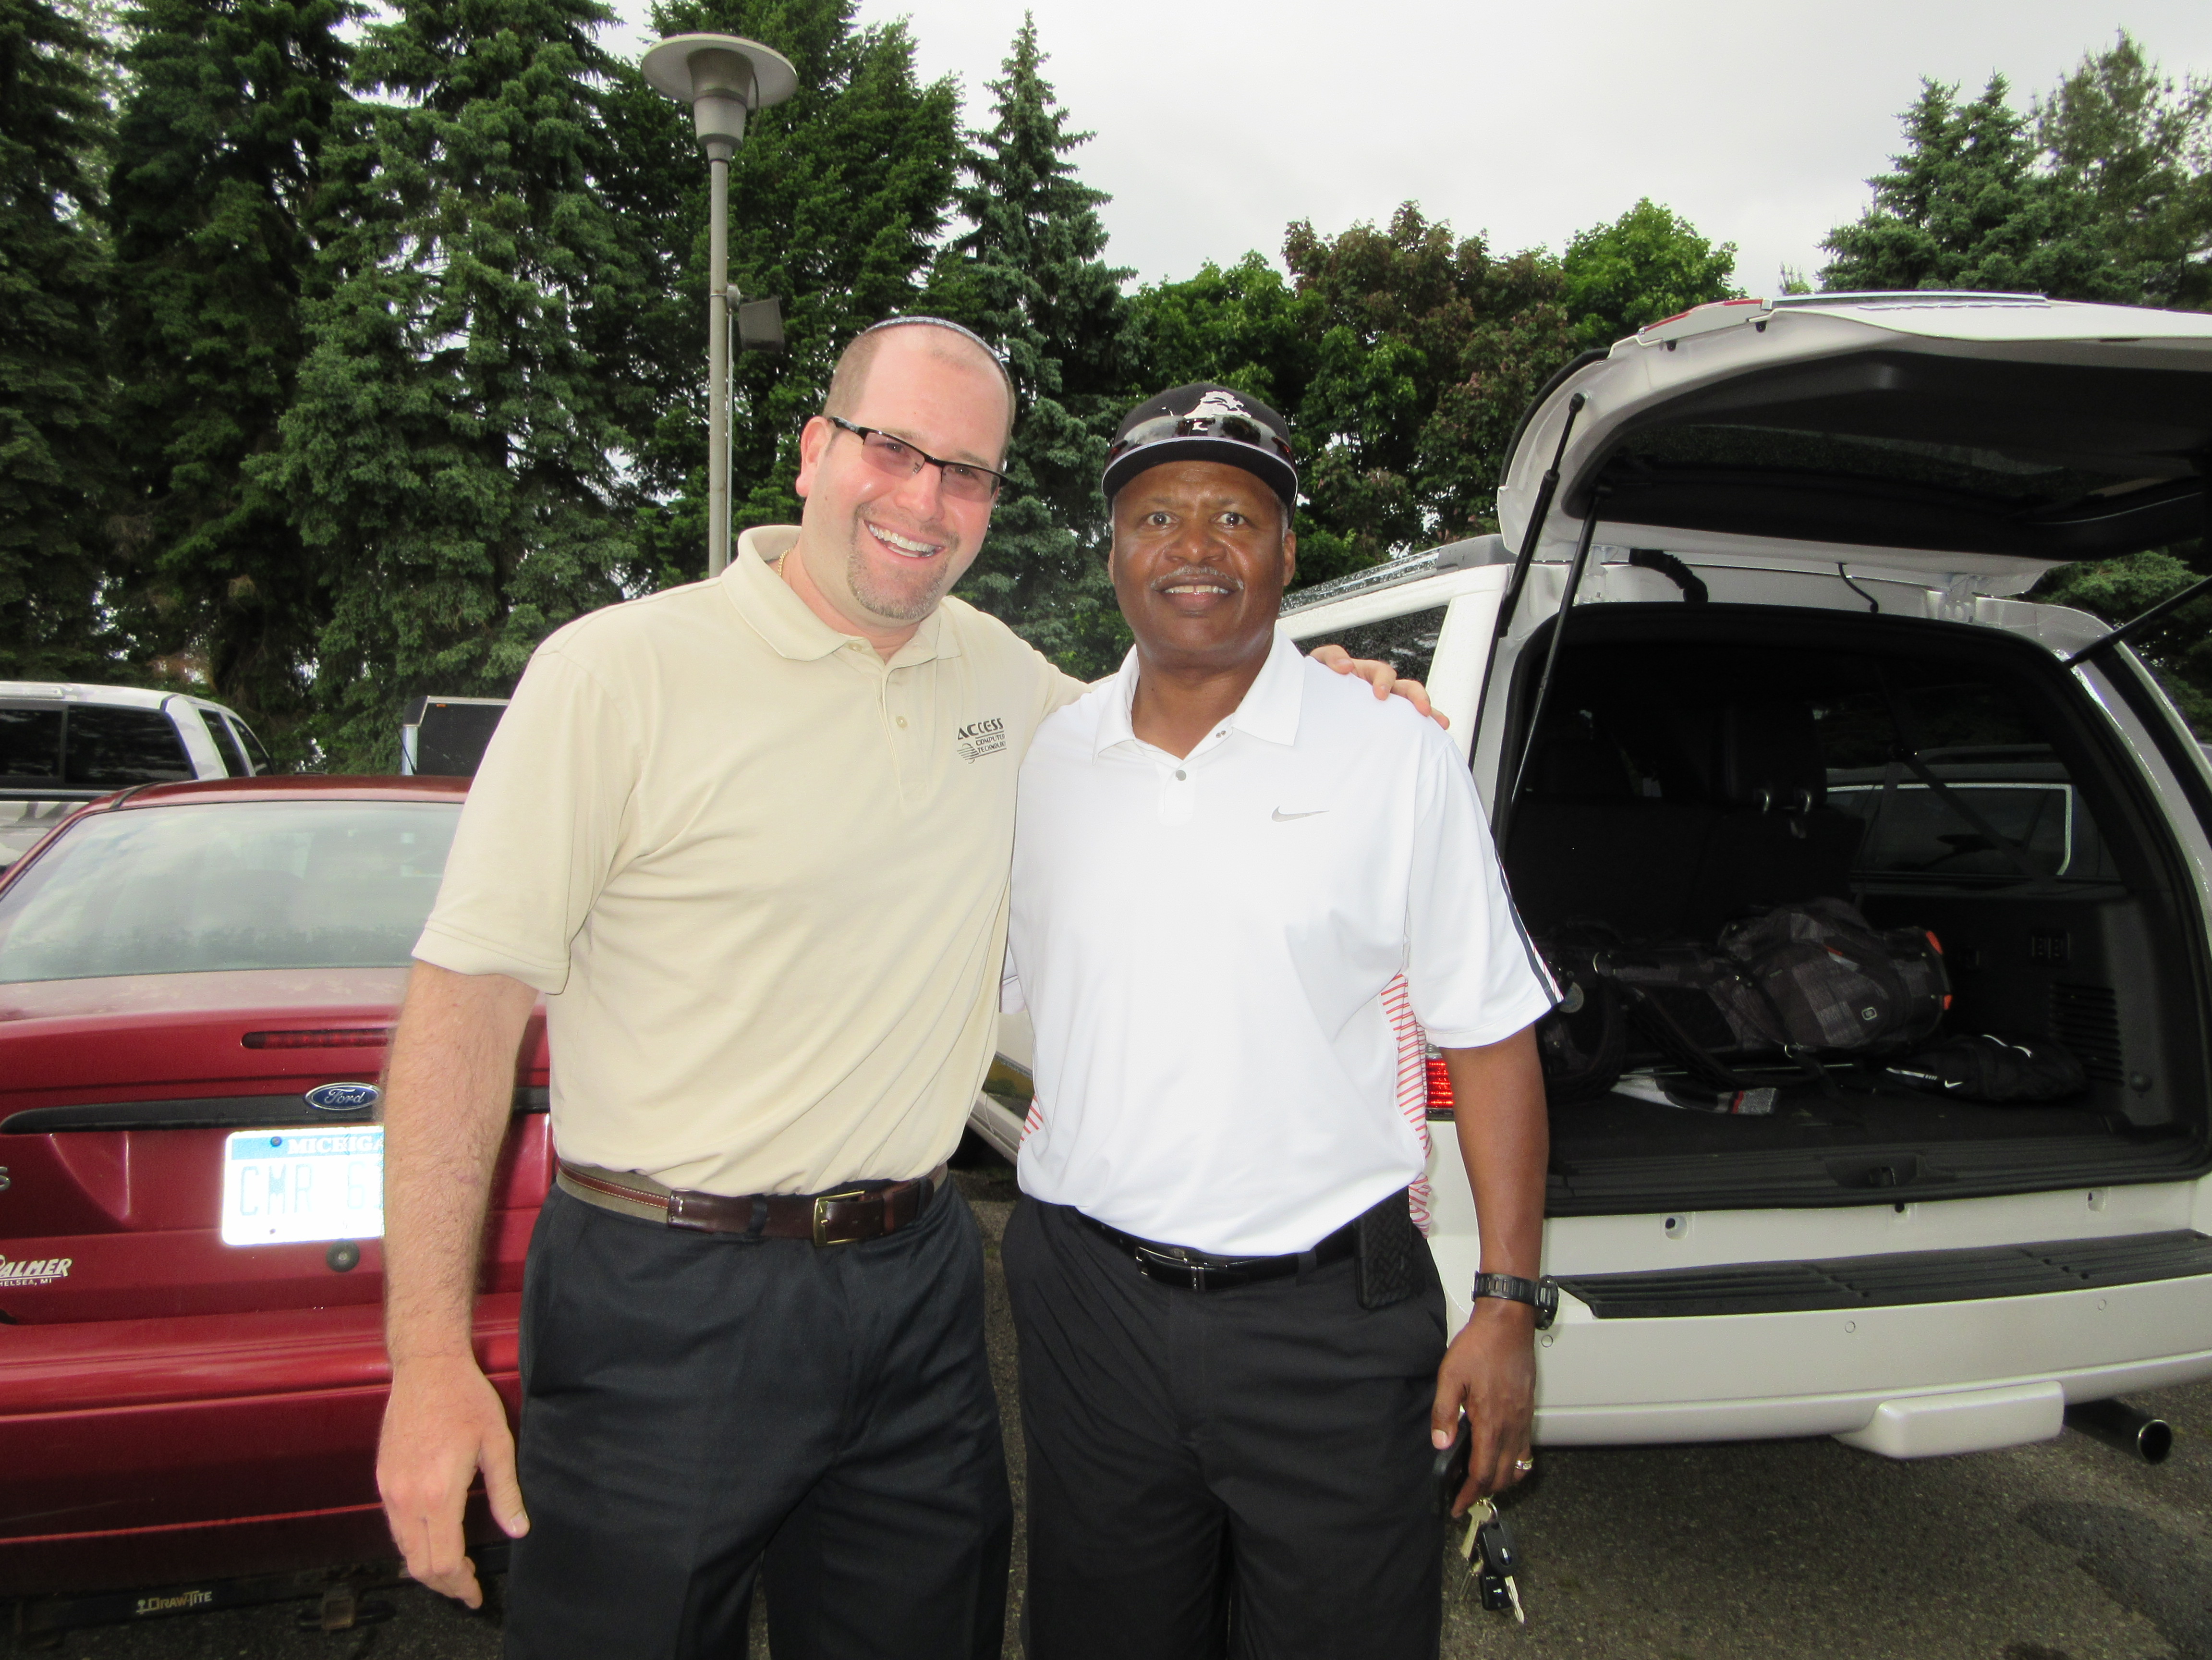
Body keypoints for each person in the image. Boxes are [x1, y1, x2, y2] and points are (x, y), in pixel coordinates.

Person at [372, 319, 1428, 1660]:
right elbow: (463, 1009)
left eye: (967, 472)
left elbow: (1178, 726)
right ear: (815, 451)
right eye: (894, 450)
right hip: (663, 1297)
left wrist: (1328, 691)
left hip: (917, 1291)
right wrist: (427, 1360)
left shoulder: (1000, 678)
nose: (926, 500)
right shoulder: (616, 674)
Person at [1000, 383, 1556, 1660]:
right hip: (1091, 1313)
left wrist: (1507, 1304)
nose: (1193, 547)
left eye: (1235, 517)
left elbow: (1490, 1035)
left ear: (1288, 553)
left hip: (1329, 1324)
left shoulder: (1392, 750)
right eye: (1157, 517)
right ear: (1113, 552)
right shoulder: (1049, 757)